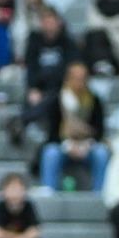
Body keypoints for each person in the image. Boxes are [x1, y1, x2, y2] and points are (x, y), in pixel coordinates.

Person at [12, 7, 78, 148]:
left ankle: (22, 121)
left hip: (60, 88)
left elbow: (70, 69)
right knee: (32, 100)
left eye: (51, 21)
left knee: (53, 99)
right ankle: (21, 128)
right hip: (40, 88)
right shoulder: (35, 41)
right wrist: (34, 87)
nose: (49, 26)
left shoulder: (67, 42)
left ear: (58, 22)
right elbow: (31, 67)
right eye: (46, 22)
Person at [38, 63, 107, 193]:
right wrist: (68, 146)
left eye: (83, 78)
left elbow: (99, 130)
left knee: (101, 153)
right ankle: (48, 190)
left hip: (87, 147)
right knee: (50, 152)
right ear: (67, 79)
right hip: (64, 146)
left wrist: (86, 146)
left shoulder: (95, 100)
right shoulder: (57, 100)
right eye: (76, 78)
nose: (79, 82)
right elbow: (52, 132)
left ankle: (100, 193)